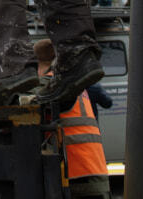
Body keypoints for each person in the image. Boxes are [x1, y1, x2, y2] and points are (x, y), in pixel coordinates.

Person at [34, 39, 109, 199]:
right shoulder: (70, 82)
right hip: (92, 164)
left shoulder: (50, 84)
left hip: (77, 168)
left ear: (39, 64)